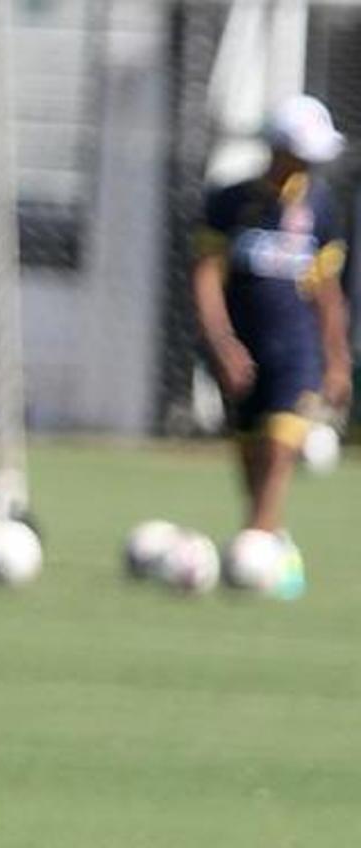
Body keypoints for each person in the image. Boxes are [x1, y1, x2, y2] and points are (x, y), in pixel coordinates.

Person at [193, 93, 351, 599]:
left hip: (297, 350)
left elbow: (328, 293)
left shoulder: (320, 207)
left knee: (280, 450)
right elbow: (207, 276)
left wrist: (337, 358)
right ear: (279, 149)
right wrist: (221, 342)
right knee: (251, 455)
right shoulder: (232, 202)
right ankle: (265, 541)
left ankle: (258, 547)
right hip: (244, 348)